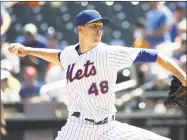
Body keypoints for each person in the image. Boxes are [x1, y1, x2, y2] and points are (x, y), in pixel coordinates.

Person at [8, 10, 186, 140]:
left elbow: (155, 55)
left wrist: (184, 78)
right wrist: (29, 50)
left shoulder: (108, 53)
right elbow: (57, 56)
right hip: (78, 128)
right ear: (80, 29)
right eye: (93, 26)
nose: (99, 30)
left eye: (100, 26)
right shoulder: (70, 54)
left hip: (110, 128)